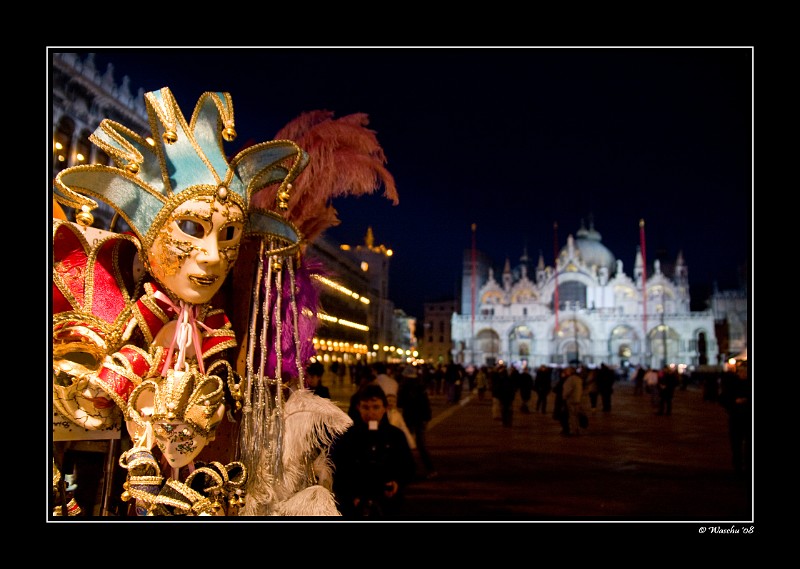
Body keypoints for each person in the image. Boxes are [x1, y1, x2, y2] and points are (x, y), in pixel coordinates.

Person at [329, 384, 416, 518]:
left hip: (388, 502)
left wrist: (397, 482)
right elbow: (337, 468)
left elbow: (408, 465)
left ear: (385, 408)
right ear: (358, 407)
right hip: (355, 504)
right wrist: (351, 494)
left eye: (376, 407)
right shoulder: (346, 436)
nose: (371, 413)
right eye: (365, 407)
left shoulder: (395, 435)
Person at [397, 365, 438, 479]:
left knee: (405, 444)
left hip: (409, 417)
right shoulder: (421, 386)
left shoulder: (404, 386)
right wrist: (427, 417)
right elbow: (426, 403)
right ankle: (430, 469)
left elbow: (400, 403)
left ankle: (408, 469)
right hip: (420, 418)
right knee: (421, 445)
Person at [718, 361, 751, 475]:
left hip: (748, 418)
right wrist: (734, 402)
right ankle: (737, 466)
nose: (744, 373)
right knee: (736, 443)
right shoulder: (732, 383)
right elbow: (723, 398)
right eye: (742, 370)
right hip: (736, 417)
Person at [561, 366, 584, 436]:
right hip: (578, 399)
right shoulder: (579, 379)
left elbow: (567, 390)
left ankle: (574, 431)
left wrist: (564, 397)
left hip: (571, 399)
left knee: (572, 416)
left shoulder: (570, 379)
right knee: (576, 415)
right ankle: (577, 429)